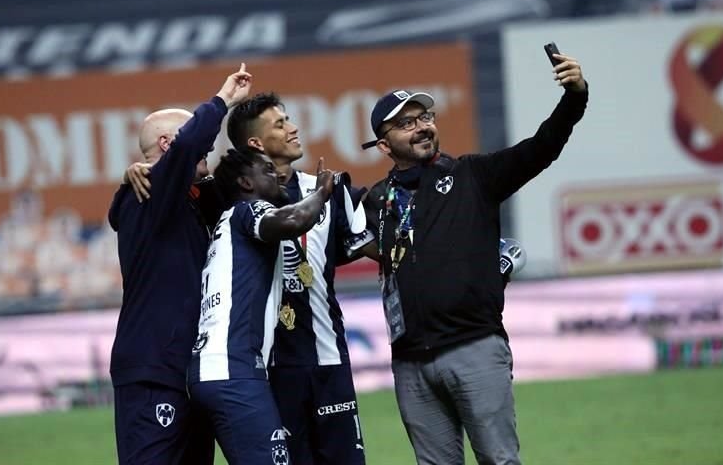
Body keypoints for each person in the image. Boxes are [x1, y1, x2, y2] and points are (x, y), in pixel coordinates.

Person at [356, 53, 588, 465]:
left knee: (498, 460)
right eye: (406, 123)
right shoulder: (374, 201)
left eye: (425, 116)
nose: (422, 126)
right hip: (410, 362)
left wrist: (574, 97)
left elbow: (541, 148)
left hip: (474, 347)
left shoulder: (473, 176)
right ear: (382, 143)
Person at [107, 63, 252, 464]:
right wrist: (222, 101)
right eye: (195, 140)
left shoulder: (186, 200)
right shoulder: (148, 193)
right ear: (169, 144)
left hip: (186, 369)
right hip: (153, 370)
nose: (208, 148)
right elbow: (190, 147)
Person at [225, 93, 371, 464]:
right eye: (280, 123)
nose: (293, 128)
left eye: (289, 119)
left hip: (328, 358)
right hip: (269, 367)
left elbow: (372, 246)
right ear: (256, 143)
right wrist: (140, 170)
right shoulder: (232, 200)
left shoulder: (332, 188)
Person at [188, 147, 335, 464]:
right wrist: (322, 192)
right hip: (234, 371)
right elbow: (294, 219)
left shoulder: (225, 226)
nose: (278, 173)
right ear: (246, 183)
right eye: (267, 170)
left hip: (216, 370)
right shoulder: (248, 211)